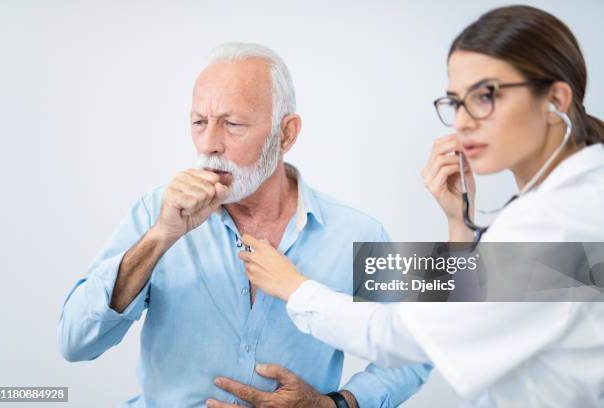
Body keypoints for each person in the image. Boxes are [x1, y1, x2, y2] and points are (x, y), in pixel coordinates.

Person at [238, 6, 604, 407]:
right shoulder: (564, 203)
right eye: (456, 101)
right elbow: (484, 301)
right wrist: (458, 225)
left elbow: (403, 335)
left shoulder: (559, 222)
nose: (462, 121)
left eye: (485, 96)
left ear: (555, 100)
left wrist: (295, 288)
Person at [57, 42, 430, 408]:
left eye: (232, 124)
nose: (209, 144)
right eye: (199, 122)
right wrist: (161, 237)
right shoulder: (155, 212)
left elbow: (421, 343)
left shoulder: (358, 233)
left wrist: (335, 405)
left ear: (286, 134)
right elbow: (75, 342)